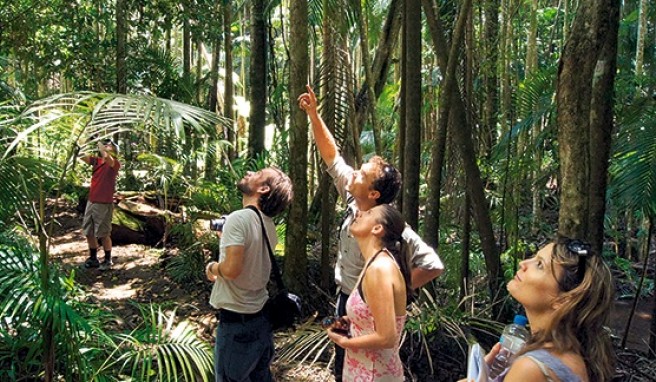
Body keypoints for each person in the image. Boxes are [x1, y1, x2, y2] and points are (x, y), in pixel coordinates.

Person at [298, 85, 444, 381]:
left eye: (362, 175)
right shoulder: (353, 201)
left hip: (367, 312)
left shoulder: (391, 227)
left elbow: (433, 264)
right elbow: (331, 155)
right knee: (345, 366)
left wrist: (393, 293)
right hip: (346, 301)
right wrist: (313, 114)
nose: (354, 174)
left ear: (374, 193)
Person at [465, 237, 615, 382]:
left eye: (539, 265)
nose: (523, 263)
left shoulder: (531, 368)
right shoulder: (572, 356)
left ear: (563, 299)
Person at [205, 167, 293, 382]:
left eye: (258, 173)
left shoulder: (239, 218)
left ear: (263, 189)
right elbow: (250, 263)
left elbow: (232, 270)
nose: (249, 171)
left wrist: (212, 268)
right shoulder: (267, 224)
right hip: (260, 321)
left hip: (237, 325)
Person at [326, 204, 412, 381]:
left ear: (377, 228)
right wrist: (351, 320)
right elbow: (374, 318)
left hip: (374, 375)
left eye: (369, 212)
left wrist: (344, 342)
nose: (359, 213)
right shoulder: (374, 263)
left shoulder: (380, 269)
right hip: (365, 372)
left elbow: (386, 337)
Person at [81, 139, 120, 271]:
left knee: (103, 233)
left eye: (110, 145)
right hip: (91, 201)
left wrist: (98, 142)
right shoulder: (97, 161)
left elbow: (107, 157)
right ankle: (93, 258)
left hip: (104, 203)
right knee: (88, 231)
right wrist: (80, 144)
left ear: (114, 151)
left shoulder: (114, 164)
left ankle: (108, 260)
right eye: (106, 145)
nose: (107, 146)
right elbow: (83, 157)